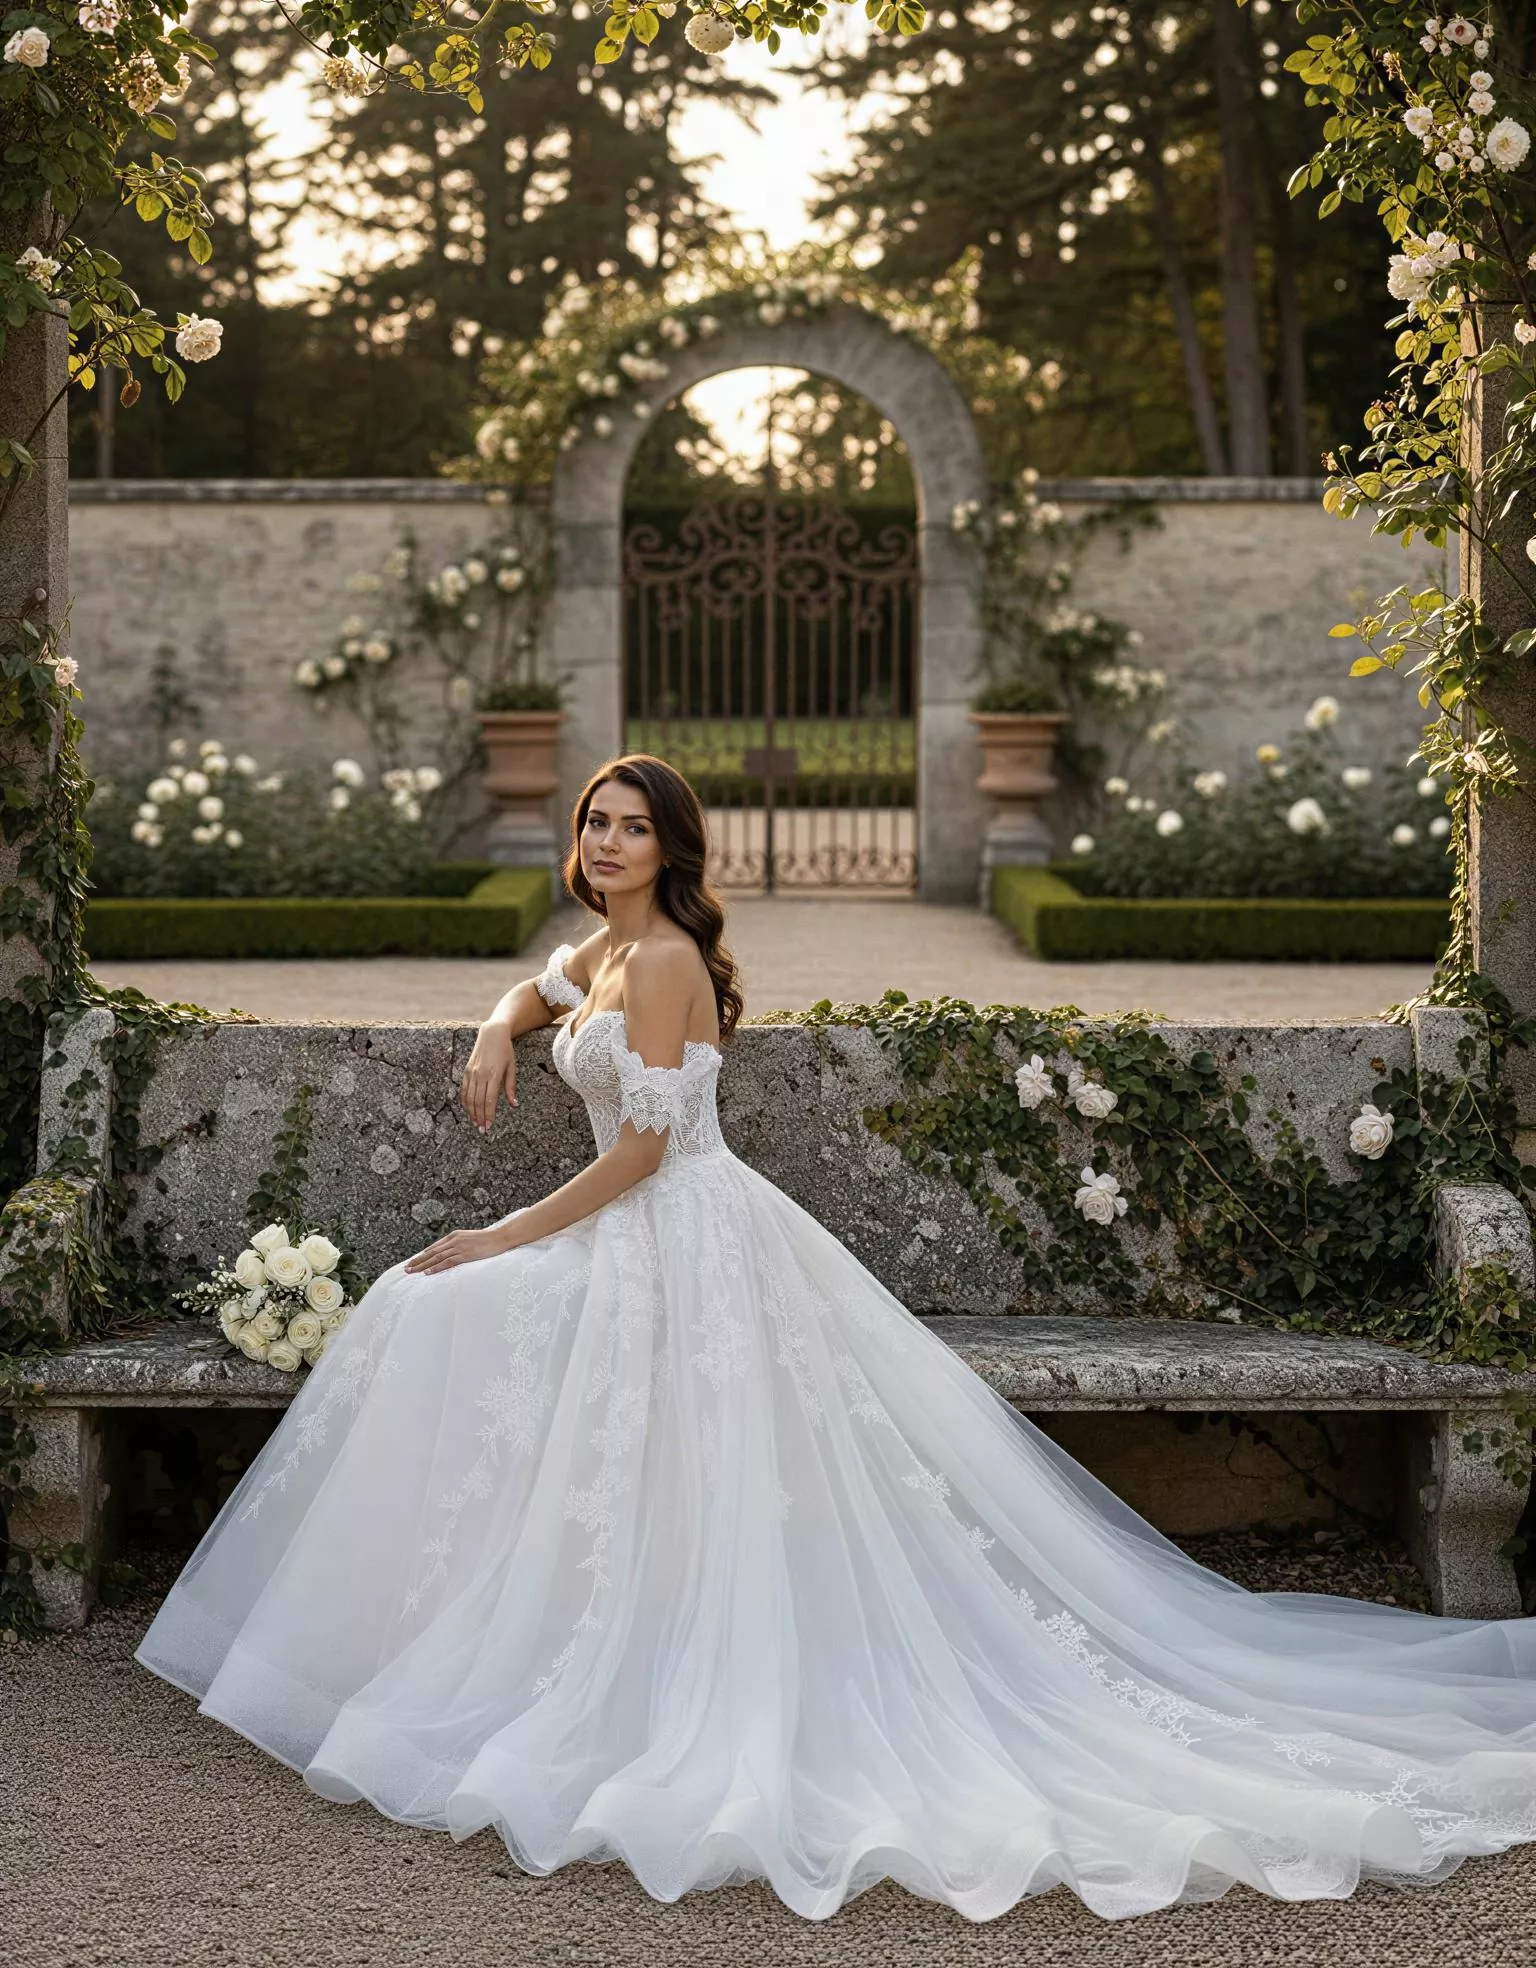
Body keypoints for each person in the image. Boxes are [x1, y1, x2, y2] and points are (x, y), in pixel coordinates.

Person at [138, 753, 1536, 1925]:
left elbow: (641, 1148)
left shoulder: (672, 957)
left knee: (436, 1299)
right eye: (595, 824)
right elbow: (548, 990)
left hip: (673, 1234)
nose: (607, 842)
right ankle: (424, 1634)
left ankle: (525, 1652)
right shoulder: (607, 947)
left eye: (632, 828)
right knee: (425, 1313)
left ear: (671, 850)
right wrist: (501, 1028)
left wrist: (502, 1237)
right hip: (624, 1236)